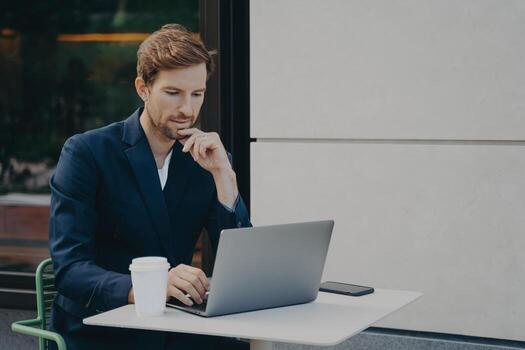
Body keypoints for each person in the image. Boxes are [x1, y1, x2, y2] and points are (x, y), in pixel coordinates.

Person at [48, 24, 251, 350]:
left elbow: (244, 266)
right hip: (103, 327)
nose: (188, 109)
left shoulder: (207, 159)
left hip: (178, 324)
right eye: (173, 93)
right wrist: (151, 287)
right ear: (143, 88)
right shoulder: (87, 152)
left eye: (197, 94)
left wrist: (225, 180)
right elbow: (70, 269)